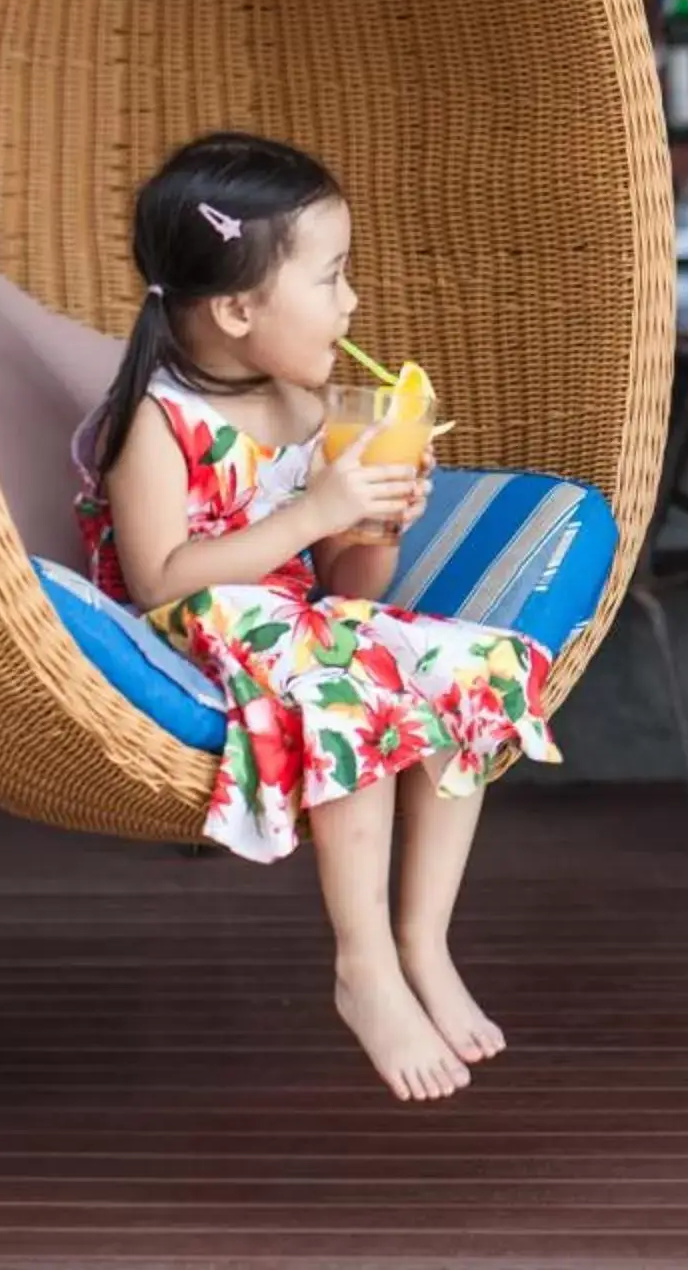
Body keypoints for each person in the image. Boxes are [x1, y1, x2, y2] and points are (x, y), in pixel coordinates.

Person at [76, 131, 561, 1101]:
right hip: (198, 628)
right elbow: (161, 578)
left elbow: (353, 592)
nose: (352, 302)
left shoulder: (306, 404)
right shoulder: (157, 422)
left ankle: (423, 939)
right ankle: (364, 962)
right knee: (353, 699)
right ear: (240, 306)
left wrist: (374, 519)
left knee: (479, 667)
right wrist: (313, 511)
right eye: (332, 277)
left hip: (296, 620)